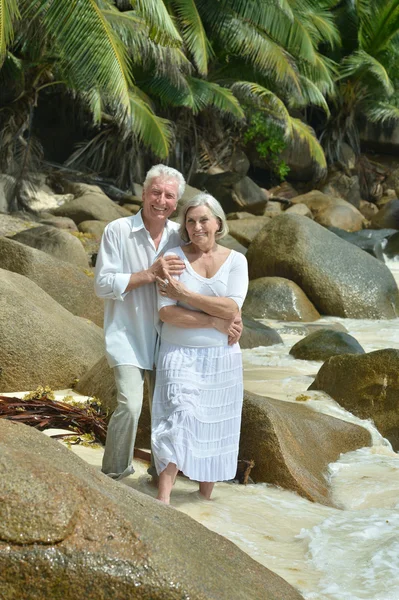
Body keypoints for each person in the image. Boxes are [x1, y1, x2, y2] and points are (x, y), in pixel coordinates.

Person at [94, 165, 242, 480]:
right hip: (127, 335)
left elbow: (217, 282)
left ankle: (158, 474)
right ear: (144, 193)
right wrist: (149, 274)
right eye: (156, 192)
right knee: (131, 405)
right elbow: (102, 284)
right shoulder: (118, 230)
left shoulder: (182, 232)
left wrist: (232, 318)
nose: (161, 200)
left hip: (168, 340)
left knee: (166, 412)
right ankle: (113, 474)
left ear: (176, 202)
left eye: (169, 195)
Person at [151, 193, 249, 504]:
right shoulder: (174, 258)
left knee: (214, 428)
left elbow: (232, 306)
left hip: (221, 358)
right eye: (190, 221)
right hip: (178, 352)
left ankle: (204, 503)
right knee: (177, 417)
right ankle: (163, 500)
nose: (197, 227)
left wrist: (184, 293)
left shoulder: (237, 261)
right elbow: (166, 313)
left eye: (203, 220)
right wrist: (213, 322)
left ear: (218, 223)